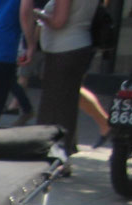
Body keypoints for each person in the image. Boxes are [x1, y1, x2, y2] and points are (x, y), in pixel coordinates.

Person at [21, 0, 98, 153]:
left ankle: (52, 152)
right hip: (78, 45)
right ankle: (64, 151)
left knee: (53, 108)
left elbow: (58, 22)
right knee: (66, 105)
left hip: (63, 49)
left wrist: (38, 14)